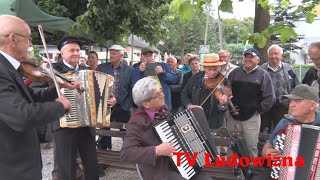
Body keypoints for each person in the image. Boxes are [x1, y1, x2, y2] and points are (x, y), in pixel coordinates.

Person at [0, 15, 78, 180]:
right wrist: (60, 106)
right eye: (28, 39)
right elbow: (22, 116)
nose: (30, 45)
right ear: (13, 39)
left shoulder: (8, 67)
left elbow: (29, 96)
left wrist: (58, 88)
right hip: (12, 166)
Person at [120, 77, 212, 180]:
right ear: (146, 103)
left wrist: (191, 113)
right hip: (160, 169)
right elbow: (126, 153)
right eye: (157, 95)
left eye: (161, 91)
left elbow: (174, 127)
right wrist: (157, 150)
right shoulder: (136, 122)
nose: (162, 95)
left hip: (182, 162)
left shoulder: (163, 109)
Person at [51, 36, 99, 180]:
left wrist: (109, 100)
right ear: (62, 53)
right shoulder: (52, 70)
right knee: (66, 168)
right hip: (64, 127)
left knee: (91, 165)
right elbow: (38, 94)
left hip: (86, 125)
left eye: (78, 50)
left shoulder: (87, 71)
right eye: (72, 50)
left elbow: (97, 93)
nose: (76, 53)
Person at [251, 84, 320, 180]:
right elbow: (268, 146)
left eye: (298, 101)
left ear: (312, 106)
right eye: (291, 101)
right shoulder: (286, 122)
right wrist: (267, 152)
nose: (292, 104)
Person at [228, 48, 275, 157]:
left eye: (251, 57)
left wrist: (258, 110)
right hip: (233, 116)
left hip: (252, 118)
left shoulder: (263, 75)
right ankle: (231, 171)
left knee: (251, 146)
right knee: (232, 145)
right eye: (246, 57)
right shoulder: (235, 72)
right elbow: (227, 90)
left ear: (258, 60)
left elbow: (270, 97)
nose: (248, 59)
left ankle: (251, 172)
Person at [97, 45, 134, 149]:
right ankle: (104, 152)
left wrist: (121, 102)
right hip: (105, 106)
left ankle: (129, 151)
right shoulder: (102, 68)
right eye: (110, 53)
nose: (111, 55)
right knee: (104, 133)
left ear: (121, 55)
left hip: (123, 107)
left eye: (114, 53)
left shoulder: (130, 70)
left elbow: (131, 90)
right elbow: (97, 87)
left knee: (126, 133)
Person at [181, 53, 229, 129]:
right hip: (196, 118)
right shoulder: (196, 78)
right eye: (209, 69)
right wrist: (188, 105)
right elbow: (184, 94)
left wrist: (222, 105)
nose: (212, 72)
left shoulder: (224, 81)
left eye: (215, 69)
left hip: (214, 122)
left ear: (219, 67)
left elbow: (223, 108)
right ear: (204, 67)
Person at [260, 44, 300, 133]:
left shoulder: (289, 69)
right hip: (266, 107)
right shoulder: (261, 70)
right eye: (271, 54)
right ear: (268, 56)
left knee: (281, 131)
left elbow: (296, 87)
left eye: (276, 53)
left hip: (282, 107)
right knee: (263, 132)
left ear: (281, 56)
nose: (273, 56)